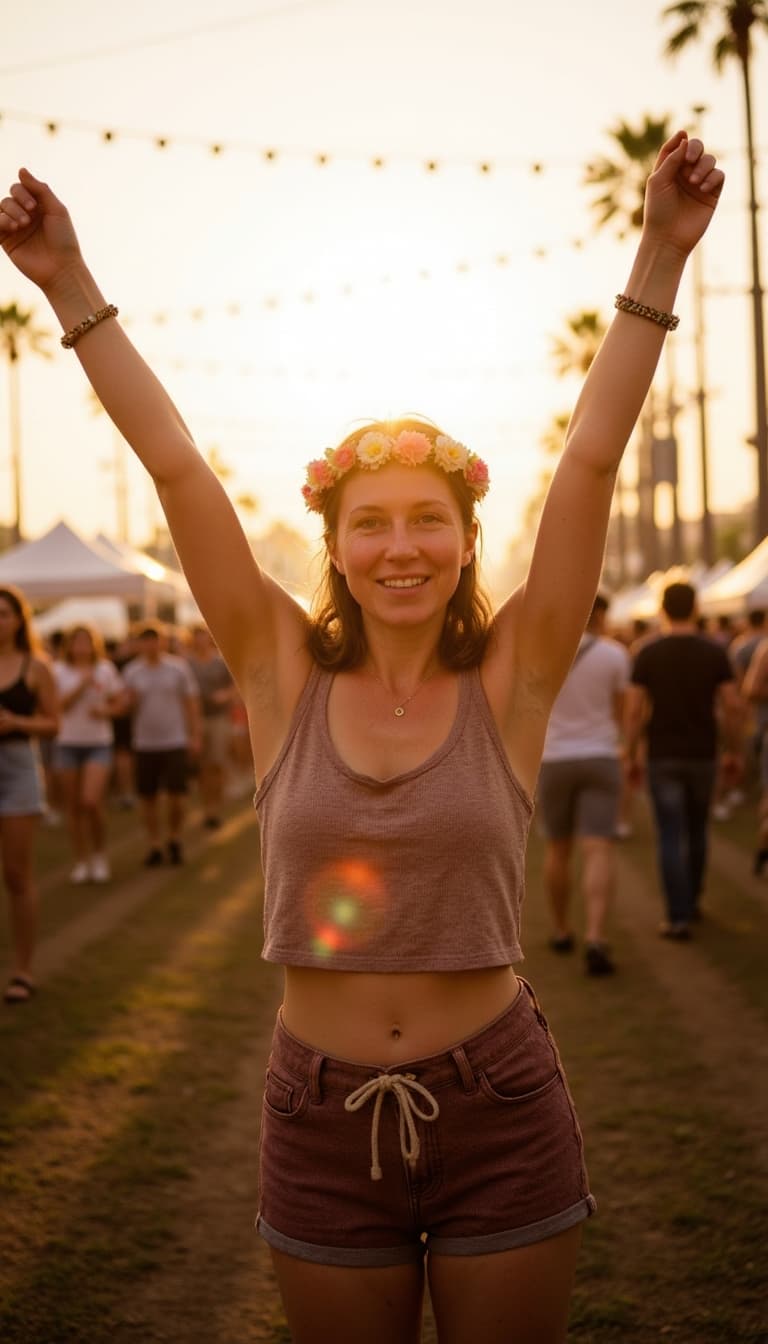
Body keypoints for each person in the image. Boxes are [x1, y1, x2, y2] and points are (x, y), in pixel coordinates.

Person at [0, 132, 724, 1342]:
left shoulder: (519, 673)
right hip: (319, 1116)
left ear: (464, 537)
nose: (402, 548)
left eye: (428, 522)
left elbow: (591, 460)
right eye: (372, 523)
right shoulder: (277, 666)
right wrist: (69, 285)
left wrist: (660, 249)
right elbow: (178, 470)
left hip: (499, 1103)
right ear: (333, 543)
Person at [624, 581, 742, 939]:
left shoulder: (647, 652)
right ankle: (692, 901)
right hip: (702, 753)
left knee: (671, 834)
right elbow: (733, 706)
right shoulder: (713, 652)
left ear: (662, 609)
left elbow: (633, 710)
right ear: (695, 608)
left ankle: (677, 916)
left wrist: (630, 753)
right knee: (697, 830)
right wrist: (734, 750)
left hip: (663, 754)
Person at [538, 593, 630, 976]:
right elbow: (620, 710)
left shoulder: (546, 653)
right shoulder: (614, 655)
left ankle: (562, 930)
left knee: (558, 850)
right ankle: (595, 936)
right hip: (600, 756)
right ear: (603, 616)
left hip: (554, 758)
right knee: (598, 850)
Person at [0, 586, 58, 1004]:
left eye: (4, 613)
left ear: (19, 619)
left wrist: (17, 722)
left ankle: (22, 970)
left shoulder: (36, 667)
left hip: (18, 770)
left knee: (17, 876)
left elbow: (54, 724)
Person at [121, 623, 201, 866]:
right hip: (145, 743)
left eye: (155, 640)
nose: (151, 645)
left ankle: (175, 837)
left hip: (174, 740)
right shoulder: (132, 672)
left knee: (177, 796)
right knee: (149, 797)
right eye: (145, 640)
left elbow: (190, 703)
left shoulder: (177, 668)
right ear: (139, 644)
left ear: (163, 642)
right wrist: (127, 702)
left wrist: (195, 734)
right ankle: (154, 843)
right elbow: (126, 706)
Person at [51, 624, 126, 883]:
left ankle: (99, 855)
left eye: (87, 641)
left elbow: (121, 702)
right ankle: (81, 861)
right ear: (69, 645)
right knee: (73, 807)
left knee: (91, 802)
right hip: (67, 743)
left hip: (98, 742)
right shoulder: (58, 671)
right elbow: (56, 706)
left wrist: (106, 712)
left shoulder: (105, 669)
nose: (82, 646)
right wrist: (81, 686)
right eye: (77, 641)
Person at [185, 623, 235, 828]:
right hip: (196, 720)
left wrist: (224, 695)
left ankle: (217, 806)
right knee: (203, 767)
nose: (200, 640)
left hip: (218, 719)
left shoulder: (220, 662)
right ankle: (208, 808)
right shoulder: (187, 664)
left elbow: (235, 685)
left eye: (203, 636)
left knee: (217, 764)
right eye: (196, 637)